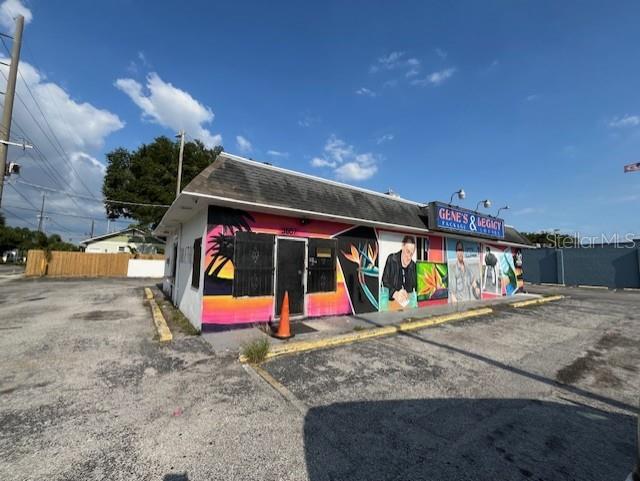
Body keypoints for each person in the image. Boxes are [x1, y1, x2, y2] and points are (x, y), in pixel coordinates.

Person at [382, 235, 416, 307]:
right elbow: (384, 283)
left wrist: (409, 294)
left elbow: (415, 287)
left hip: (407, 304)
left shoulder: (413, 266)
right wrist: (395, 293)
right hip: (391, 303)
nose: (409, 257)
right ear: (402, 247)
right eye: (407, 252)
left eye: (411, 254)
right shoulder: (392, 259)